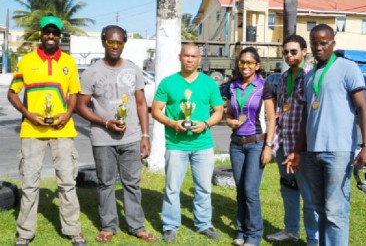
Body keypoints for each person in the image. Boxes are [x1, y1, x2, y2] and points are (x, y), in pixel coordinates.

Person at [284, 24, 366, 246]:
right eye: (315, 43)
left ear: (333, 43)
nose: (319, 47)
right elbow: (305, 117)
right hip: (312, 153)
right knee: (319, 209)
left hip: (338, 152)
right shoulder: (310, 76)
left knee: (336, 212)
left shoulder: (347, 68)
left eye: (324, 42)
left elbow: (363, 108)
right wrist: (297, 150)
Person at [7, 16, 86, 246]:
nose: (50, 36)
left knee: (67, 182)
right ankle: (25, 233)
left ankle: (73, 230)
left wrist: (67, 114)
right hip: (32, 130)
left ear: (60, 35)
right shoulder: (26, 61)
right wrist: (28, 113)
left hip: (62, 130)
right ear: (41, 33)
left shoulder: (69, 62)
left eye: (55, 32)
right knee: (30, 182)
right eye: (47, 32)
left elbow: (74, 93)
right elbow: (12, 92)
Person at [76, 25, 155, 243]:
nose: (115, 46)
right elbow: (81, 106)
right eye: (110, 41)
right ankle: (108, 226)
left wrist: (145, 136)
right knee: (105, 183)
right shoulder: (91, 72)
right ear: (103, 42)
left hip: (131, 138)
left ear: (123, 44)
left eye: (119, 42)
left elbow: (141, 104)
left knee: (132, 183)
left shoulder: (133, 69)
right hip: (102, 139)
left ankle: (136, 226)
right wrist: (105, 122)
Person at [151, 43, 224, 243]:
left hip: (202, 145)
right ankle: (170, 226)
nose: (190, 59)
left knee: (203, 188)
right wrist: (172, 123)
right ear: (180, 57)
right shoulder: (168, 82)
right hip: (176, 144)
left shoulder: (209, 83)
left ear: (199, 59)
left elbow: (219, 111)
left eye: (194, 56)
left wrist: (206, 124)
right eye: (186, 56)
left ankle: (203, 224)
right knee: (172, 187)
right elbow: (156, 110)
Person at [266, 35, 319, 245]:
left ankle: (314, 238)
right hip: (284, 144)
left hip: (303, 148)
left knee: (309, 196)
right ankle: (291, 230)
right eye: (285, 52)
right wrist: (271, 141)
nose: (289, 55)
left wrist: (300, 149)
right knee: (288, 189)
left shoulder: (311, 77)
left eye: (293, 51)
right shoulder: (283, 77)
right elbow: (281, 111)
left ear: (304, 51)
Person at [225, 47, 275, 246]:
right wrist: (230, 122)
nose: (245, 66)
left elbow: (271, 119)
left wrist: (268, 146)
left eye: (249, 62)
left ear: (257, 65)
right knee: (240, 190)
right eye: (242, 62)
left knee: (250, 190)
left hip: (257, 143)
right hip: (236, 144)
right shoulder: (232, 86)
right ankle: (241, 231)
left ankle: (254, 235)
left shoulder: (264, 87)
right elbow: (228, 113)